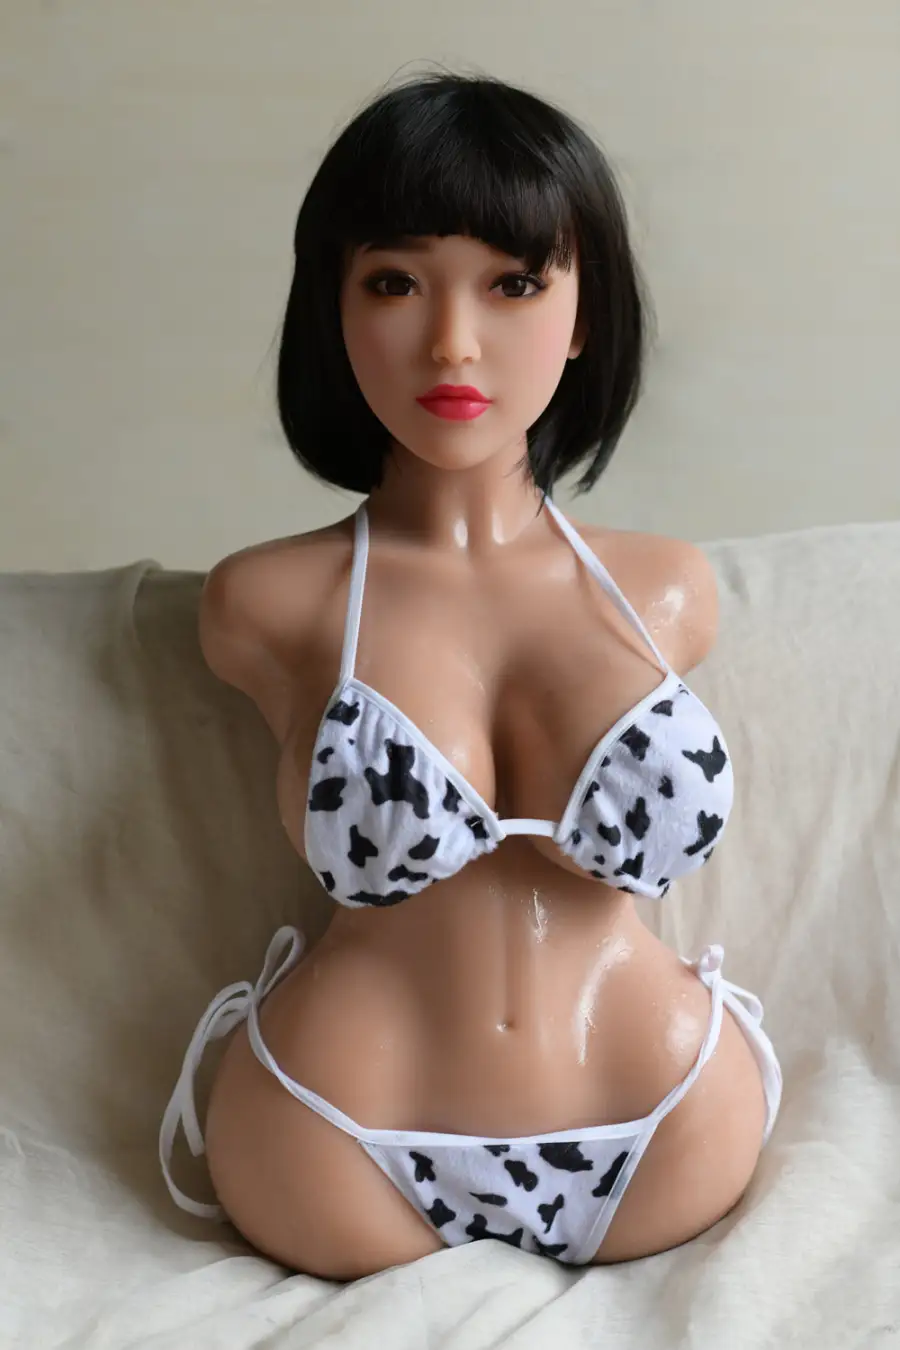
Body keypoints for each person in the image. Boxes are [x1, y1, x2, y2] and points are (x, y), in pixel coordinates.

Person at [159, 69, 782, 1281]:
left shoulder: (666, 590)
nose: (451, 339)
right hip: (331, 1135)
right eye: (395, 282)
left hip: (669, 1119)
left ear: (585, 313)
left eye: (513, 283)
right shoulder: (268, 602)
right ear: (334, 308)